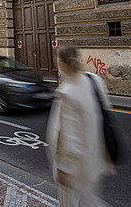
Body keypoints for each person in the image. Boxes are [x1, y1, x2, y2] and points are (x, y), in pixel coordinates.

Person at [46, 45, 114, 206]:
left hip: (73, 165)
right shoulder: (94, 80)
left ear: (60, 63)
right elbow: (104, 109)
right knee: (90, 198)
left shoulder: (66, 92)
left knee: (70, 203)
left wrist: (63, 167)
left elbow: (64, 134)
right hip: (94, 155)